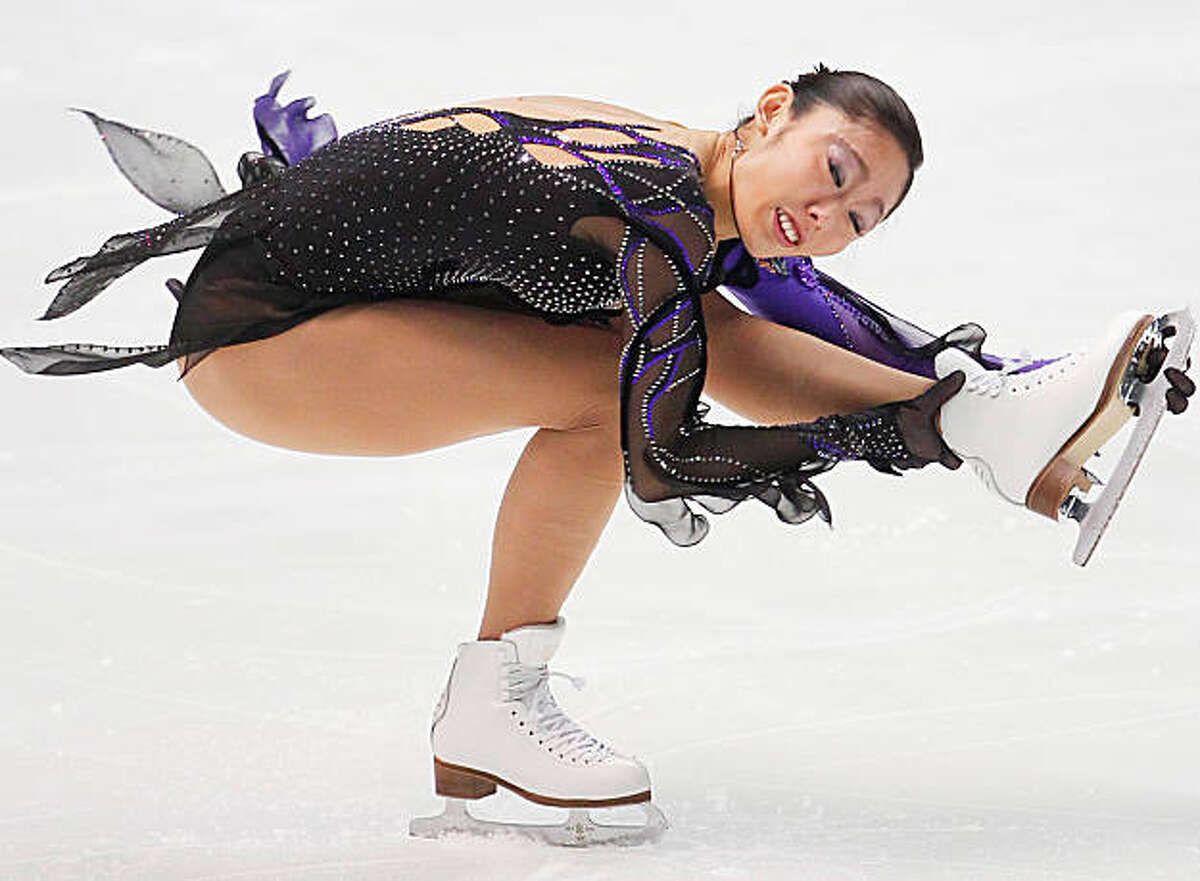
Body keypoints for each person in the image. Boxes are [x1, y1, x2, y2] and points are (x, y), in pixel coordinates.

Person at [1, 66, 1192, 845]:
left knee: (693, 323)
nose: (828, 221)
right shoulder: (653, 210)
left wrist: (981, 389)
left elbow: (800, 312)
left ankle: (994, 420)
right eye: (835, 175)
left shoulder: (684, 173)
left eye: (859, 216)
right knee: (599, 379)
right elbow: (662, 453)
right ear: (774, 109)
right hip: (262, 343)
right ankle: (492, 703)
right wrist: (913, 426)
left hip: (320, 305)